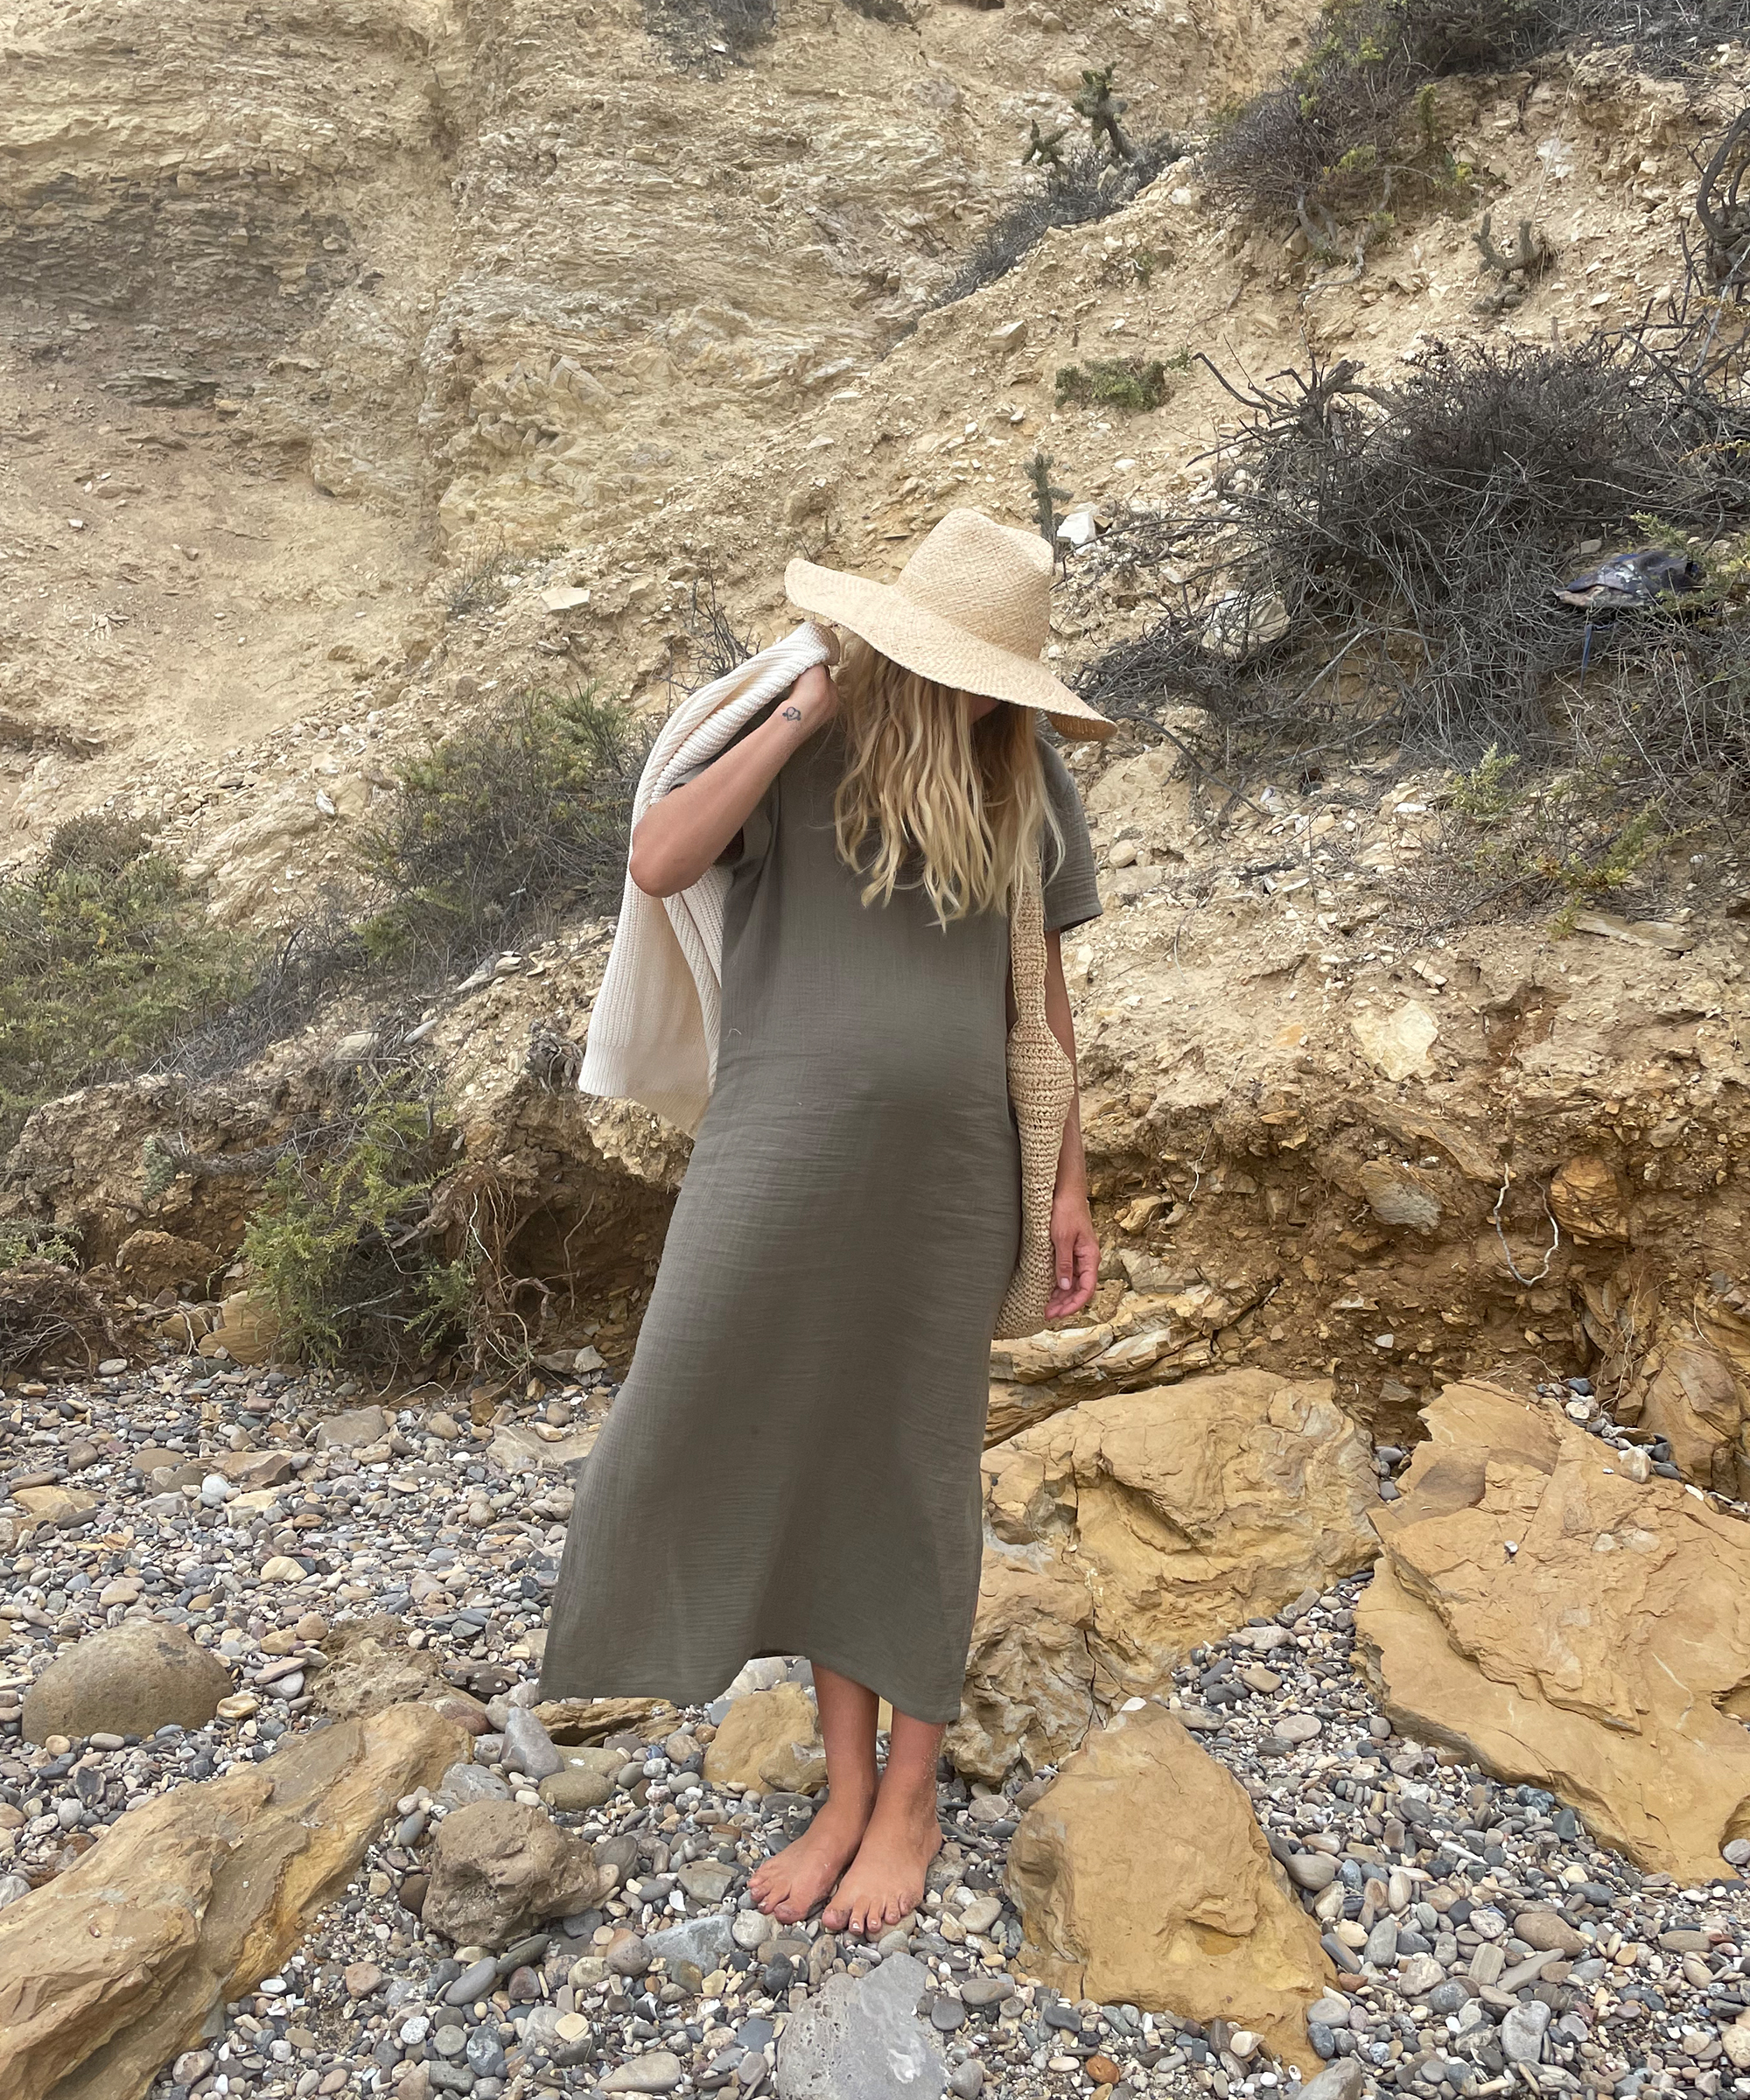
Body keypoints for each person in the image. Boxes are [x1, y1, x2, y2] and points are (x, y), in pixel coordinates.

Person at [542, 508, 1112, 1937]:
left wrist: (1068, 1180)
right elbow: (662, 860)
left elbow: (1039, 1008)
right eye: (967, 669)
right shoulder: (794, 741)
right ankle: (843, 1787)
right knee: (741, 1427)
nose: (985, 697)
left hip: (951, 1176)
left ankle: (901, 1801)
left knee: (907, 1469)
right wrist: (796, 716)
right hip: (777, 1157)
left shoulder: (1024, 772)